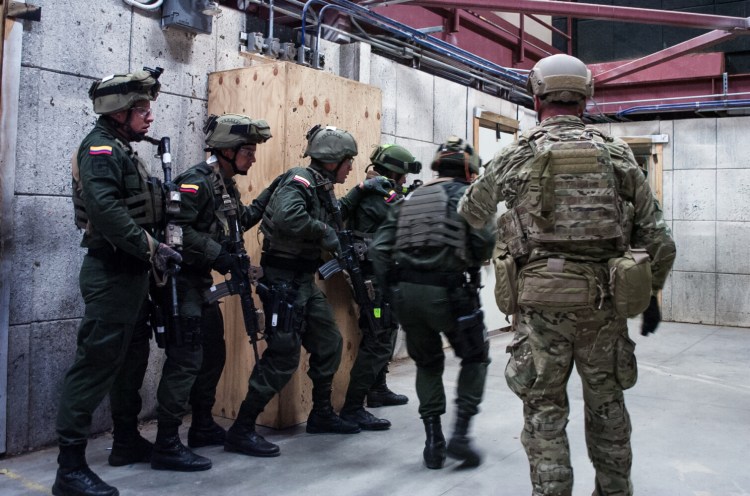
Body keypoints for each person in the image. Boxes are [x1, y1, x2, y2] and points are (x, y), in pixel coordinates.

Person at [457, 54, 677, 495]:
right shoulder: (617, 156)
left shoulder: (517, 152)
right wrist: (650, 293)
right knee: (608, 408)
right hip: (604, 306)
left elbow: (471, 211)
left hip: (540, 308)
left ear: (536, 96)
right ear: (585, 97)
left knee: (544, 411)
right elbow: (658, 240)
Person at [223, 124, 388, 457]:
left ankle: (322, 413)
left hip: (302, 281)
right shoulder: (301, 178)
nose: (351, 167)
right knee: (283, 357)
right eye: (348, 161)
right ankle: (242, 428)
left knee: (329, 342)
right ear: (332, 160)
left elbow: (333, 215)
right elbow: (288, 218)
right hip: (283, 281)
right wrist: (327, 234)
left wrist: (358, 193)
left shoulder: (321, 186)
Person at [55, 68, 182, 496]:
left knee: (130, 362)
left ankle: (125, 442)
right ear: (119, 112)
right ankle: (68, 469)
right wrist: (153, 249)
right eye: (141, 109)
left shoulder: (125, 149)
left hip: (132, 274)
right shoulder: (101, 150)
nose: (149, 116)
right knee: (95, 365)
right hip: (111, 272)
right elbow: (108, 214)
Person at [145, 114, 274, 473]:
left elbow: (238, 221)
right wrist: (220, 255)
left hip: (202, 286)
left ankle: (202, 426)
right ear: (228, 151)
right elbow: (175, 230)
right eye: (247, 151)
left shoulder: (225, 184)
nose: (252, 158)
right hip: (180, 284)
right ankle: (167, 443)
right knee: (185, 361)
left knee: (213, 355)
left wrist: (271, 192)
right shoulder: (195, 183)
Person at [370, 136, 495, 469]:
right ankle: (461, 435)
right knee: (476, 356)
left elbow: (378, 251)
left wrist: (393, 287)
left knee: (426, 364)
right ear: (470, 170)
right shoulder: (470, 199)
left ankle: (433, 441)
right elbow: (485, 245)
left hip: (406, 297)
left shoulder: (408, 200)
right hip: (451, 295)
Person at [336, 144, 420, 430]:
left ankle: (378, 389)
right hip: (373, 277)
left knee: (386, 331)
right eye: (403, 176)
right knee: (377, 338)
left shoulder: (380, 190)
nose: (405, 181)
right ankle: (352, 407)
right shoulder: (376, 193)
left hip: (383, 274)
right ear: (394, 171)